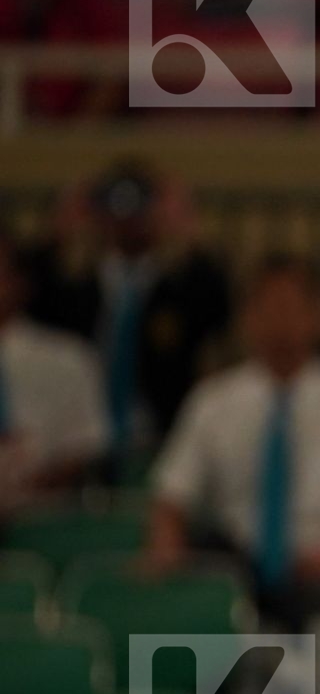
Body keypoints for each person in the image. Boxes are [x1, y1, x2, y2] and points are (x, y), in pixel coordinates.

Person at [147, 256, 320, 630]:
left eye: (291, 307)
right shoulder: (213, 401)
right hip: (237, 565)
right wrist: (167, 551)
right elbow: (171, 498)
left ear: (318, 317)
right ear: (246, 318)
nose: (279, 321)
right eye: (266, 308)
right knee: (194, 600)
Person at [22, 162, 233, 473]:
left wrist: (186, 226)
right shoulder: (75, 284)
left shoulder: (181, 285)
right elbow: (28, 293)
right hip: (83, 440)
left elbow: (220, 304)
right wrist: (58, 229)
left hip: (159, 438)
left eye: (140, 204)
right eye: (114, 204)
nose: (128, 219)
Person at [0, 228, 107, 509]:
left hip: (44, 514)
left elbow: (86, 444)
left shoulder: (67, 356)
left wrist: (29, 489)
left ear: (19, 282)